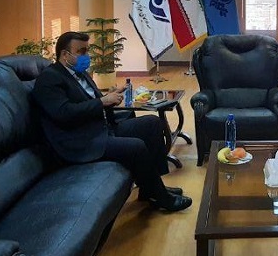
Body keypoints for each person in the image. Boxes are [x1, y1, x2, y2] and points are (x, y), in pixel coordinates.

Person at [31, 31, 192, 212]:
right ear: (64, 54)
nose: (86, 56)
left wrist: (111, 96)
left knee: (152, 124)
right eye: (81, 51)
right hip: (79, 141)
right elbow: (63, 113)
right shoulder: (49, 78)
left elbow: (90, 101)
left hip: (101, 128)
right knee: (136, 146)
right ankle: (162, 198)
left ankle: (151, 188)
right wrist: (102, 101)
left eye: (87, 50)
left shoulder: (80, 73)